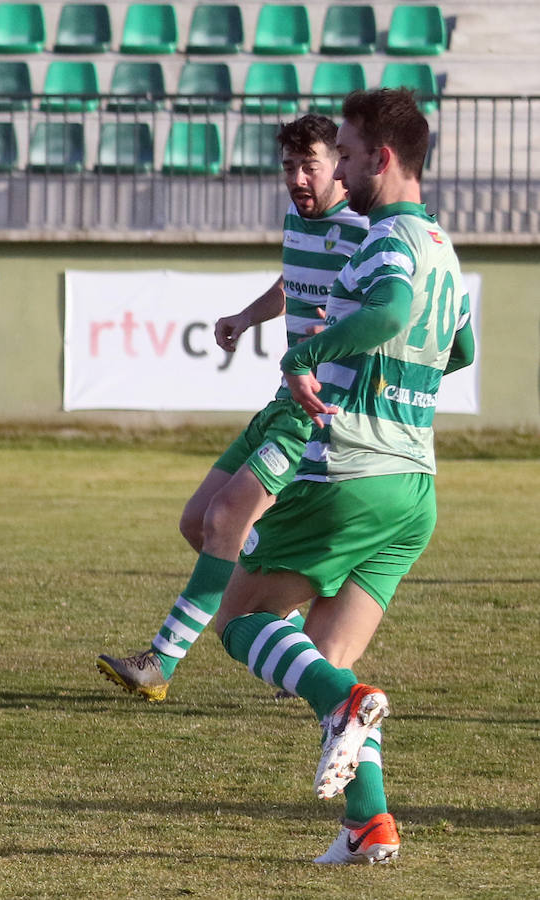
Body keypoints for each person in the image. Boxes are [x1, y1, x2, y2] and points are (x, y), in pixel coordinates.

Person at [214, 88, 475, 865]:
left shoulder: (389, 236)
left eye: (354, 156)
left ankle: (348, 707)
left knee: (241, 622)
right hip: (413, 488)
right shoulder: (443, 245)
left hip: (352, 473)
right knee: (327, 656)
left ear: (383, 159)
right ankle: (370, 825)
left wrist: (306, 355)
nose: (346, 170)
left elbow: (391, 312)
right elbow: (457, 350)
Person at [97, 115, 370, 702]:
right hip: (281, 400)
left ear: (339, 167)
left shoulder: (362, 229)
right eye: (289, 167)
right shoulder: (300, 219)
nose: (297, 178)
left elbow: (382, 309)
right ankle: (288, 632)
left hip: (317, 411)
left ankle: (159, 663)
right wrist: (248, 316)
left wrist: (340, 334)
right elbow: (292, 283)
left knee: (225, 520)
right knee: (198, 522)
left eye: (311, 166)